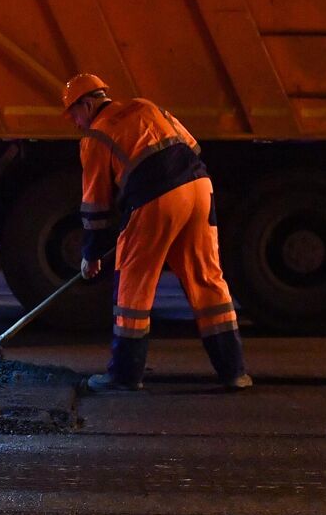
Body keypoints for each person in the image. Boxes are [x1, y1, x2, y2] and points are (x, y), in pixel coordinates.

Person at [63, 72, 252, 393]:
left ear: (89, 103)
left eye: (75, 114)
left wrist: (91, 254)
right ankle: (234, 372)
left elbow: (95, 204)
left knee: (133, 288)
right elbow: (191, 145)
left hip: (157, 198)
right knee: (207, 279)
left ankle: (125, 374)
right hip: (199, 188)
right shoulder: (145, 106)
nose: (75, 122)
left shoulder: (96, 136)